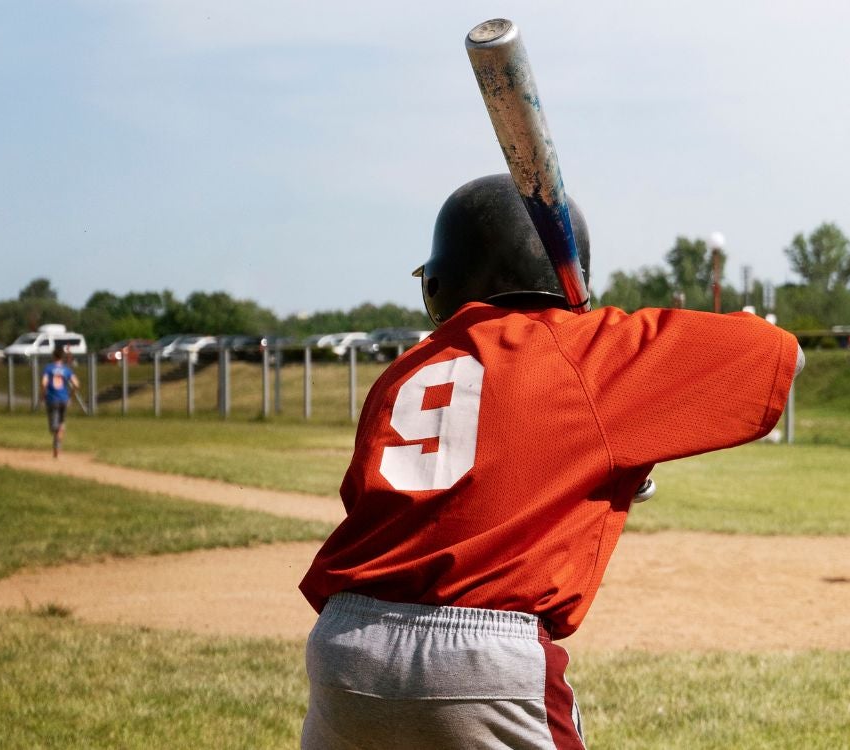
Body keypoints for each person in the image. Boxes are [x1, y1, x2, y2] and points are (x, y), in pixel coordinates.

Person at [298, 174, 803, 749]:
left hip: (345, 646)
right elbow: (781, 354)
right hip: (480, 658)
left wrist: (607, 469)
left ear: (447, 278)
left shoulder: (405, 370)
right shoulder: (583, 348)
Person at [41, 345, 80, 458]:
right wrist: (70, 396)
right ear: (62, 357)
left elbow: (43, 383)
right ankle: (57, 446)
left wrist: (43, 395)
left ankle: (57, 445)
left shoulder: (48, 368)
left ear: (53, 356)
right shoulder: (66, 369)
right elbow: (76, 384)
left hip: (52, 399)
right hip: (64, 398)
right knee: (61, 424)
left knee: (54, 427)